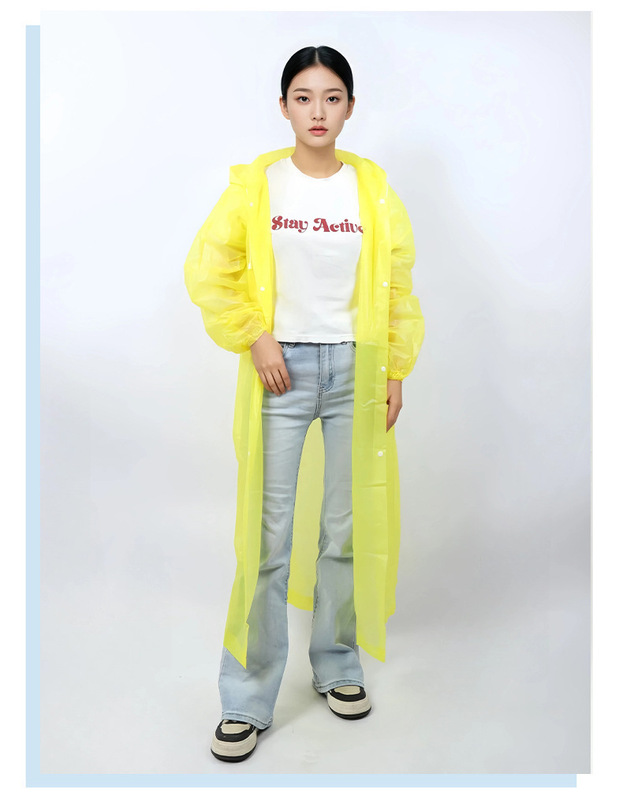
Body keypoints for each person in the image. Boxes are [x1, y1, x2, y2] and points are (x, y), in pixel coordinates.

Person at [184, 45, 425, 763]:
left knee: (345, 529)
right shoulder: (258, 186)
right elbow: (211, 270)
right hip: (279, 373)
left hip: (355, 370)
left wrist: (394, 368)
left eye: (331, 97)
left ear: (350, 106)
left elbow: (396, 285)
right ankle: (246, 697)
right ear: (284, 106)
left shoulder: (371, 190)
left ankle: (337, 663)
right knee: (267, 538)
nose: (317, 111)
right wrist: (257, 338)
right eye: (303, 97)